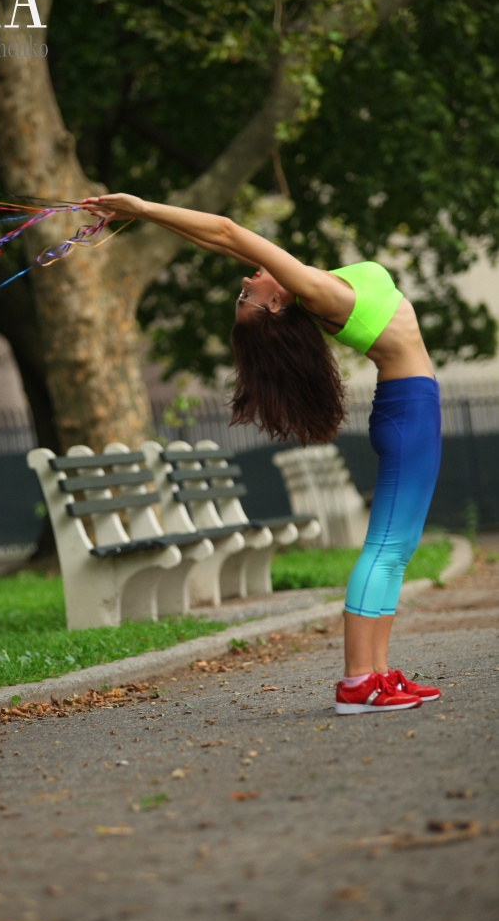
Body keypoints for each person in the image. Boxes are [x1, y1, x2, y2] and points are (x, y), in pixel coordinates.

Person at [81, 193, 442, 715]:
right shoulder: (314, 292)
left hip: (410, 409)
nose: (245, 283)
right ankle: (359, 681)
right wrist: (142, 208)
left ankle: (378, 675)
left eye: (242, 292)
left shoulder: (313, 286)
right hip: (411, 413)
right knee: (387, 548)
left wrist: (144, 215)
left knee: (395, 549)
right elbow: (227, 231)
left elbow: (216, 240)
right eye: (245, 296)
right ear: (275, 305)